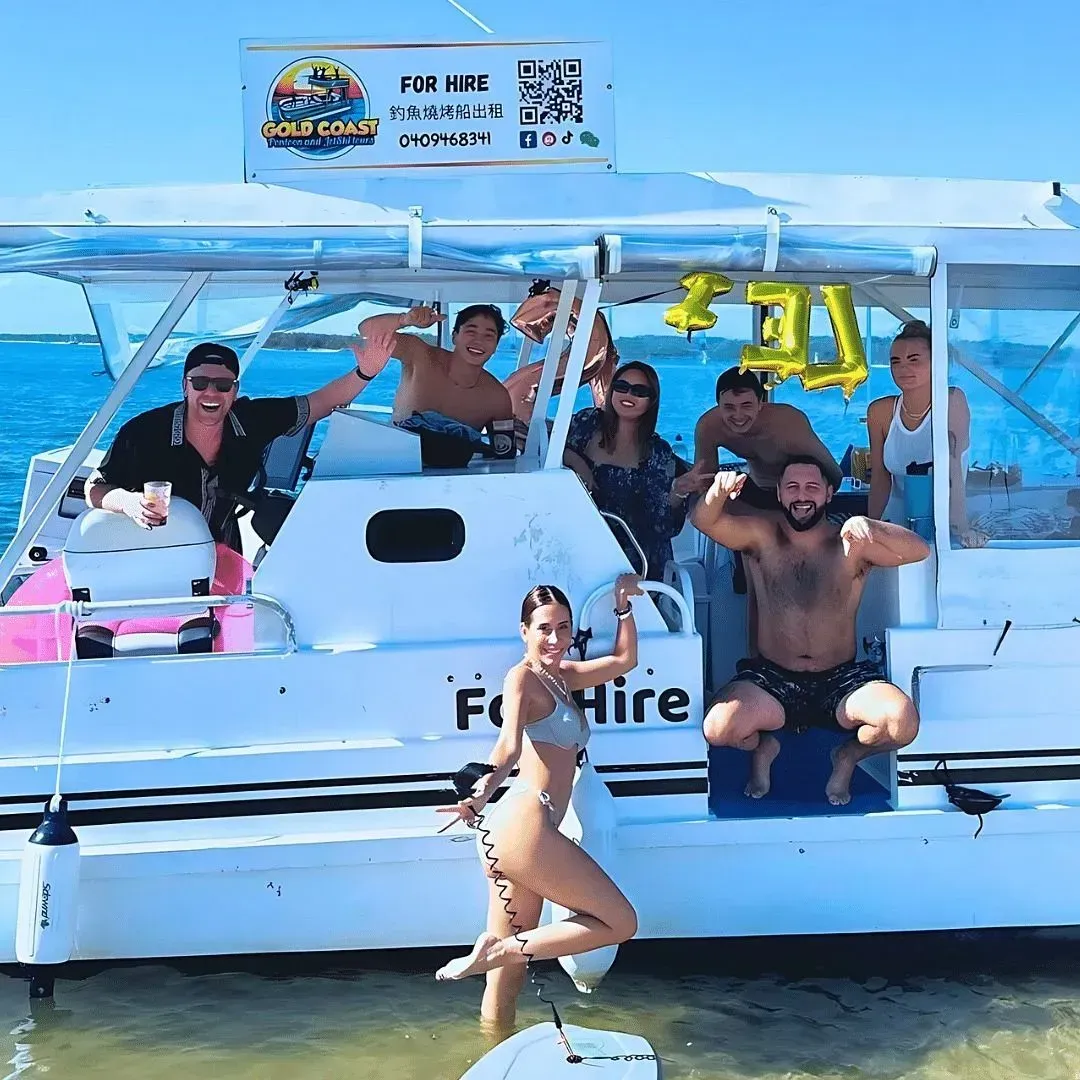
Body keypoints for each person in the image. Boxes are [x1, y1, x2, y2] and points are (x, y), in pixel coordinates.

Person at [434, 574, 643, 1029]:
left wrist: (623, 605)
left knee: (506, 982)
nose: (555, 638)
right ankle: (500, 949)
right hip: (525, 824)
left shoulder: (562, 676)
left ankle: (491, 1046)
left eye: (564, 628)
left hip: (516, 833)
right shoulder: (522, 678)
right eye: (544, 628)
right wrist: (476, 797)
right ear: (524, 631)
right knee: (621, 922)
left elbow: (625, 660)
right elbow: (506, 749)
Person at [691, 456, 929, 806]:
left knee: (901, 723)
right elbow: (703, 520)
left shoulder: (851, 542)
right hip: (772, 678)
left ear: (830, 493)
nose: (802, 496)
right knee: (719, 729)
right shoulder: (762, 537)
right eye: (793, 487)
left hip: (840, 679)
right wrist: (719, 490)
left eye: (812, 487)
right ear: (780, 495)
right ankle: (764, 746)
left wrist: (873, 526)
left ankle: (846, 757)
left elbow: (919, 550)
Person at [85, 334, 396, 551]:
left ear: (234, 391)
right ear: (184, 386)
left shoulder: (251, 419)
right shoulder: (144, 432)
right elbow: (93, 488)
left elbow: (322, 402)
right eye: (200, 382)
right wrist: (127, 502)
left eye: (222, 385)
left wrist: (366, 372)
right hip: (148, 549)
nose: (211, 392)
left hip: (220, 549)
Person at [562, 361, 712, 580]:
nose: (628, 394)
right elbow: (555, 449)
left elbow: (662, 527)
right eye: (621, 387)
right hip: (583, 547)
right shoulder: (587, 423)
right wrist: (578, 463)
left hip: (637, 562)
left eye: (639, 391)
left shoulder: (658, 453)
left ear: (651, 401)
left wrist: (678, 490)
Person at [866, 319, 986, 547]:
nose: (903, 368)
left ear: (936, 363)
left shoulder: (952, 402)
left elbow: (953, 473)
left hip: (945, 522)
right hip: (896, 527)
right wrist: (872, 530)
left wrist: (961, 528)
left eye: (914, 360)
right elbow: (880, 480)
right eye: (896, 361)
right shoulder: (879, 412)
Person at [358, 303, 515, 461]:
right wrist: (404, 319)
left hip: (453, 479)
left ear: (495, 346)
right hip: (393, 465)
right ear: (454, 336)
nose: (478, 341)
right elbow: (366, 334)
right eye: (471, 331)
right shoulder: (419, 355)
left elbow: (504, 454)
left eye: (489, 336)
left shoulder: (498, 399)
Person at [693, 367, 842, 510]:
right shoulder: (709, 427)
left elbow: (835, 475)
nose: (738, 415)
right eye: (729, 407)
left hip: (793, 498)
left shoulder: (788, 424)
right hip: (754, 492)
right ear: (718, 406)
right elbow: (703, 482)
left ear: (760, 404)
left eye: (746, 405)